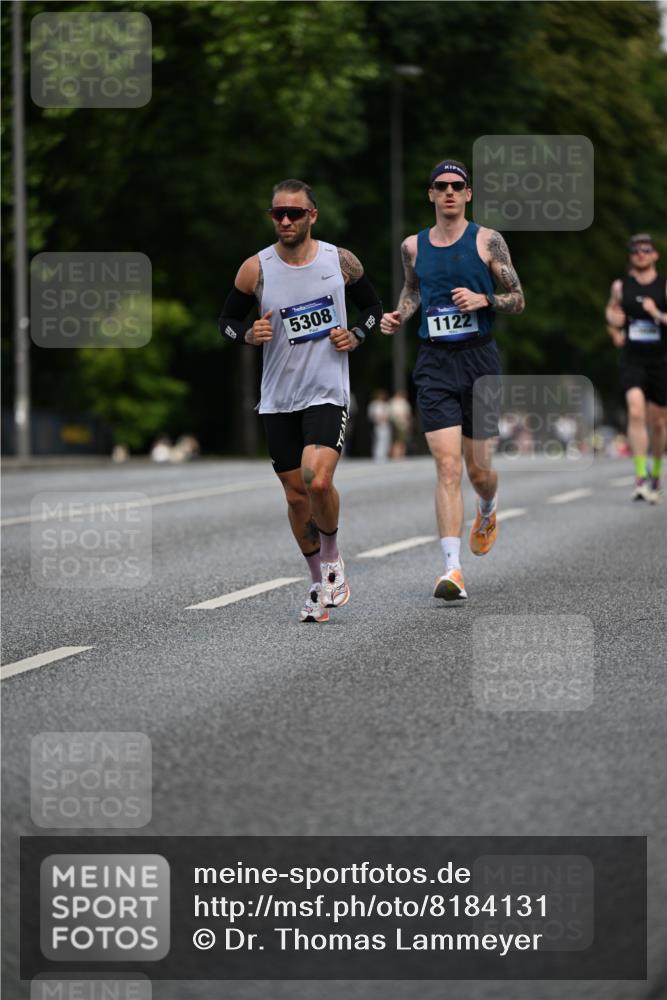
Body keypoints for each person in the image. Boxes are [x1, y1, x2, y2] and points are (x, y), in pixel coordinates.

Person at [218, 179, 382, 622]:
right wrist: (249, 334)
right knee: (295, 498)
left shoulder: (339, 261)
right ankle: (318, 582)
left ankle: (332, 559)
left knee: (318, 479)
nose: (285, 220)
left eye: (294, 213)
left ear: (313, 216)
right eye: (278, 214)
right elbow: (227, 322)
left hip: (327, 390)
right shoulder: (256, 268)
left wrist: (357, 334)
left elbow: (372, 308)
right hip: (277, 397)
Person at [380, 159, 525, 601]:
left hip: (479, 361)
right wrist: (399, 315)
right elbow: (413, 290)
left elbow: (517, 299)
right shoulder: (413, 246)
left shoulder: (488, 241)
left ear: (468, 194)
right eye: (440, 186)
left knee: (478, 470)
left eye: (456, 186)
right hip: (435, 363)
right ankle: (452, 570)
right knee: (446, 466)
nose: (448, 192)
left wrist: (484, 299)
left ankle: (487, 506)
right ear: (430, 194)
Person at [605, 233, 667, 504]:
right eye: (635, 250)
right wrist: (613, 325)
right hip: (632, 358)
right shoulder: (621, 286)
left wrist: (656, 314)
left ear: (655, 255)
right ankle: (640, 477)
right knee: (635, 409)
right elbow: (611, 312)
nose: (640, 253)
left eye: (646, 249)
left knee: (659, 423)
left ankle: (656, 473)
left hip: (661, 360)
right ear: (631, 256)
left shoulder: (664, 287)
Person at [367, 389, 392, 462]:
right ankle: (378, 456)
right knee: (378, 440)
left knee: (386, 440)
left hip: (386, 425)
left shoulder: (386, 404)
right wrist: (378, 418)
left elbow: (389, 415)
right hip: (378, 425)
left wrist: (386, 418)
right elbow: (371, 415)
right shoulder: (374, 404)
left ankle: (384, 455)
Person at [389, 390, 413, 459]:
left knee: (402, 440)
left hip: (402, 424)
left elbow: (407, 414)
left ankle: (401, 454)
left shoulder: (402, 402)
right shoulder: (394, 402)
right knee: (397, 440)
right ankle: (396, 454)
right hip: (397, 424)